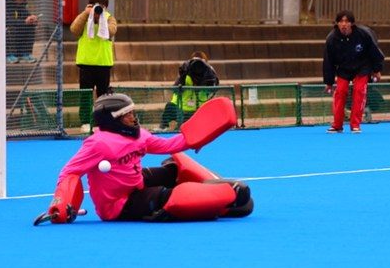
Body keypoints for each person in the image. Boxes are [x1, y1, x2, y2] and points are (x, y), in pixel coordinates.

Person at [42, 93, 252, 223]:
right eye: (127, 114)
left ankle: (211, 191)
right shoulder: (98, 144)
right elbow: (69, 172)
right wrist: (62, 203)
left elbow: (169, 146)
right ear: (113, 120)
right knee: (167, 196)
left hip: (137, 182)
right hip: (119, 204)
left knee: (174, 168)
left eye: (132, 112)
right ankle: (221, 199)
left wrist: (196, 138)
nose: (133, 117)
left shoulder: (139, 135)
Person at [322, 10, 384, 133]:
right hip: (343, 68)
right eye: (341, 22)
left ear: (352, 24)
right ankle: (337, 125)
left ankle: (355, 124)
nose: (344, 24)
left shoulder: (363, 35)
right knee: (340, 92)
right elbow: (328, 62)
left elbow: (374, 52)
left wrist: (376, 70)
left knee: (359, 91)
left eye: (347, 21)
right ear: (337, 24)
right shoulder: (331, 39)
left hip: (362, 66)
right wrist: (329, 82)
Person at [70, 0, 118, 99]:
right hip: (86, 63)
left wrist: (101, 20)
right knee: (85, 98)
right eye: (95, 6)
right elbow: (74, 30)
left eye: (101, 6)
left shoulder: (109, 18)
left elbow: (111, 31)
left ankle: (102, 111)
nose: (98, 9)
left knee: (104, 97)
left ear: (105, 8)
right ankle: (86, 111)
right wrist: (86, 14)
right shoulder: (84, 18)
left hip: (103, 63)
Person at [159, 51, 220, 129]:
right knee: (170, 107)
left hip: (198, 110)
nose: (198, 65)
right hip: (180, 108)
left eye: (201, 62)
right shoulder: (186, 69)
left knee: (187, 128)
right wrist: (185, 72)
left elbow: (213, 88)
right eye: (196, 61)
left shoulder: (208, 72)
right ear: (191, 61)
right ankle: (163, 128)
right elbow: (177, 86)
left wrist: (209, 74)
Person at [6, 0, 39, 64]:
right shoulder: (4, 2)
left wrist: (32, 19)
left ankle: (25, 53)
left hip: (15, 28)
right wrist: (24, 21)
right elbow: (6, 21)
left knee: (30, 25)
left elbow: (25, 15)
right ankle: (8, 55)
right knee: (9, 28)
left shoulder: (20, 3)